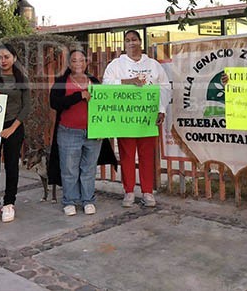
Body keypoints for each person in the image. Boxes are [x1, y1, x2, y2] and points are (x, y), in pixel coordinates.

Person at [102, 30, 170, 207]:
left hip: (147, 119)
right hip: (126, 119)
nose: (131, 43)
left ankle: (147, 192)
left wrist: (161, 109)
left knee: (147, 156)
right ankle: (129, 191)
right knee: (127, 156)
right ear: (124, 45)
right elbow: (106, 84)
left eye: (134, 39)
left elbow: (164, 86)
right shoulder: (116, 65)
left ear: (140, 42)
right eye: (127, 40)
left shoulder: (153, 65)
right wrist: (127, 81)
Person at [49, 49, 119, 216]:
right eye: (74, 60)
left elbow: (105, 106)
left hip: (93, 132)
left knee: (88, 168)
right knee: (69, 169)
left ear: (86, 63)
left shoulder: (94, 81)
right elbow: (55, 103)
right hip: (68, 132)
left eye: (81, 60)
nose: (78, 63)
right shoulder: (61, 82)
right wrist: (79, 95)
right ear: (69, 64)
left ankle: (88, 200)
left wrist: (104, 128)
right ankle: (70, 201)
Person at [0, 44, 31, 224]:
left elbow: (27, 106)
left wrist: (12, 128)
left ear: (14, 58)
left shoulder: (21, 77)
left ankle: (9, 203)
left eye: (7, 56)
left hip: (14, 126)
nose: (3, 60)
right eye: (0, 57)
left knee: (12, 166)